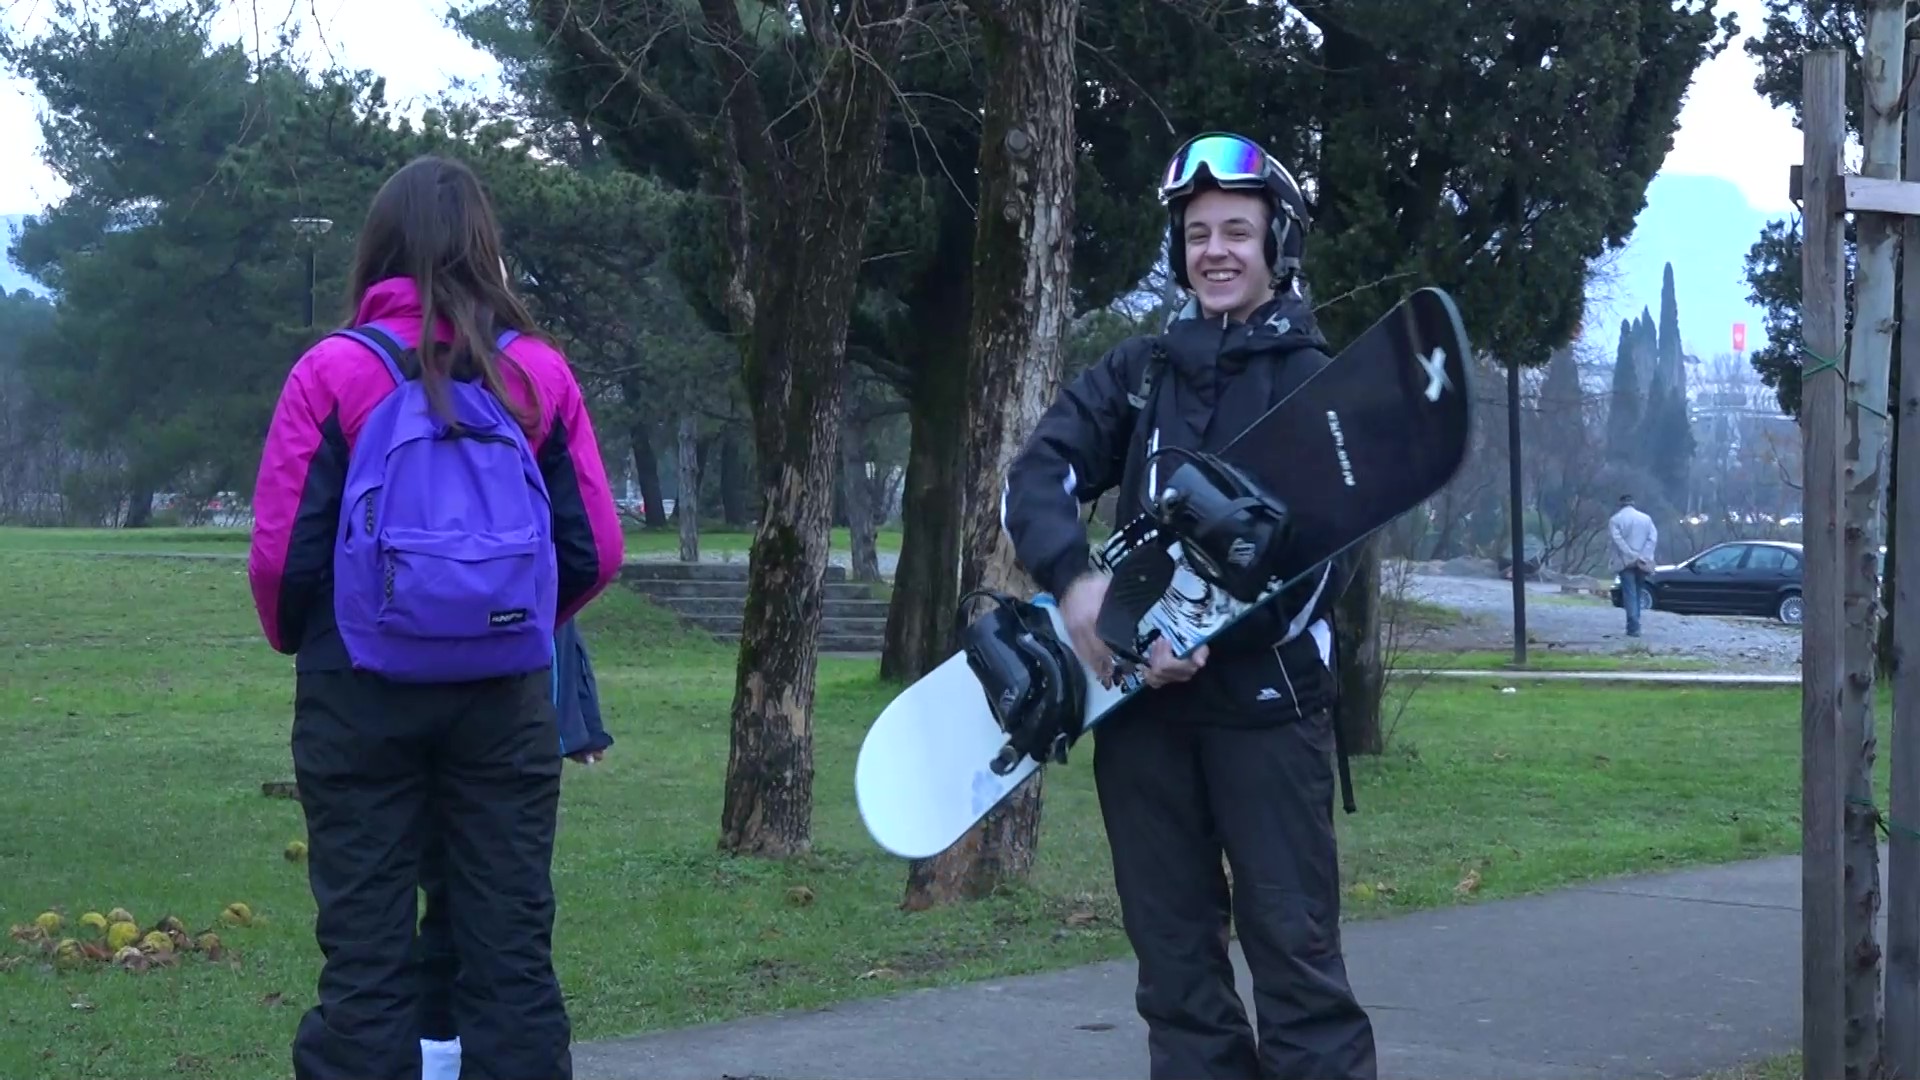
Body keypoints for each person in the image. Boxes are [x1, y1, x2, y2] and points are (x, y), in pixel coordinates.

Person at [999, 131, 1377, 1079]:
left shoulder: (1312, 381)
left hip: (1267, 715)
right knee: (1176, 979)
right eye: (1199, 232)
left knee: (1297, 970)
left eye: (1236, 232)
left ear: (1274, 245)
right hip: (1142, 719)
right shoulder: (1143, 371)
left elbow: (1325, 561)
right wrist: (1077, 584)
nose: (1215, 250)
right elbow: (1039, 472)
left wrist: (1202, 633)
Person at [246, 154, 624, 1080]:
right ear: (486, 251)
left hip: (358, 696)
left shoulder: (332, 371)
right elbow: (595, 549)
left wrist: (322, 639)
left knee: (367, 966)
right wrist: (515, 624)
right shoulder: (534, 374)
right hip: (502, 701)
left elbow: (282, 558)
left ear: (379, 249)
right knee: (511, 956)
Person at [418, 618, 612, 1080]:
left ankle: (437, 1058)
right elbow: (588, 561)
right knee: (504, 921)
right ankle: (446, 1054)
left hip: (400, 691)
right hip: (512, 702)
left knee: (442, 904)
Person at [1609, 493, 1658, 637]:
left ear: (1620, 504)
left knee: (1629, 593)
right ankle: (1636, 622)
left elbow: (1617, 541)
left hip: (1625, 562)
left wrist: (1630, 554)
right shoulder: (1646, 519)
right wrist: (1643, 555)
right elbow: (1652, 539)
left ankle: (1633, 626)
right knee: (1638, 591)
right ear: (1633, 503)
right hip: (1643, 561)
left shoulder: (1615, 520)